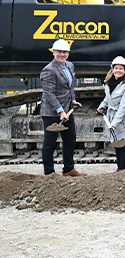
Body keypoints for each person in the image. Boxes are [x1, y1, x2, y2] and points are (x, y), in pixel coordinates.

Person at [39, 39, 86, 176]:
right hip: (51, 113)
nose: (62, 54)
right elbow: (49, 94)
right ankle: (49, 172)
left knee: (70, 139)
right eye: (59, 51)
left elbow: (70, 87)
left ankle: (68, 169)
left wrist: (73, 101)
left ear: (68, 53)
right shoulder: (49, 70)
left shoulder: (70, 66)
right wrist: (60, 111)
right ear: (53, 52)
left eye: (65, 52)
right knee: (50, 143)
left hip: (67, 111)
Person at [98, 56, 125, 171]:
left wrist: (113, 123)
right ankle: (120, 170)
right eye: (116, 68)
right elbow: (108, 98)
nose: (118, 70)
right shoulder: (108, 83)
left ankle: (123, 170)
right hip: (113, 118)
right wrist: (102, 106)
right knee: (117, 145)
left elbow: (123, 107)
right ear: (112, 69)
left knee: (123, 145)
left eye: (121, 68)